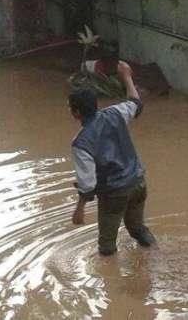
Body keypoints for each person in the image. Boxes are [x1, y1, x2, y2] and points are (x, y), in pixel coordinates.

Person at [68, 51, 157, 256]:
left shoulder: (81, 143)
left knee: (107, 246)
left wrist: (79, 208)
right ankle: (155, 255)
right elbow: (136, 103)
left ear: (75, 112)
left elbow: (88, 184)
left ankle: (112, 284)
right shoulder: (115, 113)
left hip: (114, 193)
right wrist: (126, 77)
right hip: (138, 183)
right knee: (138, 229)